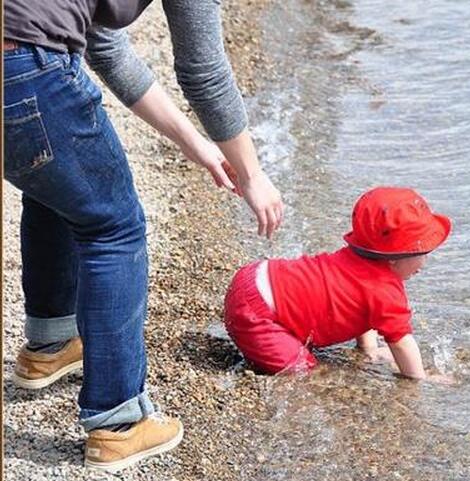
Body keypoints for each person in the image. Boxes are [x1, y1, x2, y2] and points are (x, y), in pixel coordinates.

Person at [3, 0, 283, 472]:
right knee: (114, 229)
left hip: (19, 57)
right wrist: (252, 174)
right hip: (26, 66)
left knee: (56, 184)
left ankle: (51, 346)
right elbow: (204, 71)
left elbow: (104, 47)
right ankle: (118, 424)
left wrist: (197, 144)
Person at [224, 187, 453, 382]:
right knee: (304, 373)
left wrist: (369, 349)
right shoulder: (386, 291)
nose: (424, 263)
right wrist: (420, 379)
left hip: (256, 276)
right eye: (422, 253)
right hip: (256, 314)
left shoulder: (356, 259)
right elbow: (401, 342)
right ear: (394, 257)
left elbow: (365, 309)